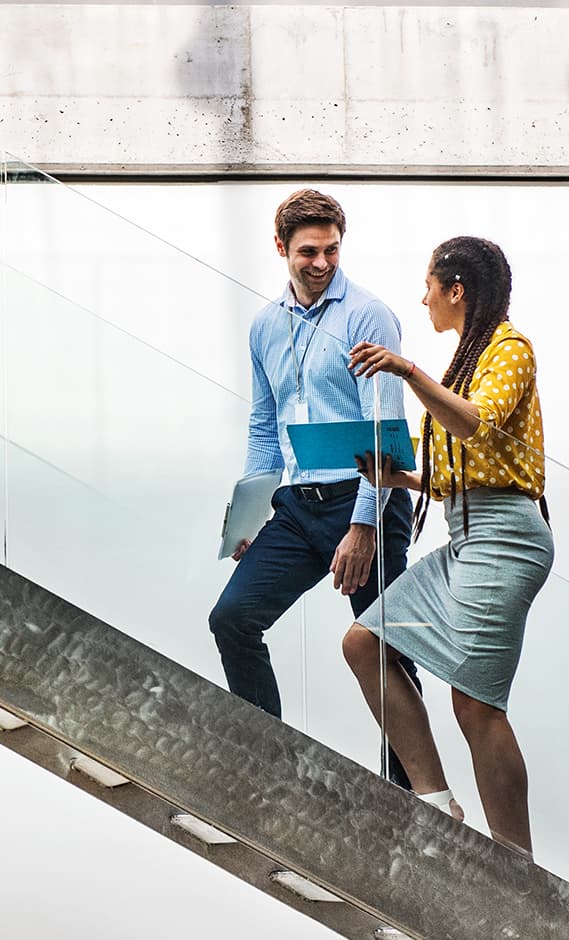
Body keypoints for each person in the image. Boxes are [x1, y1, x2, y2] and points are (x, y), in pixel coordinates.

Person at [342, 235, 550, 853]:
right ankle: (434, 801)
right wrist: (400, 478)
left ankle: (517, 862)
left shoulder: (511, 347)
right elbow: (468, 463)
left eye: (429, 285)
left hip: (506, 536)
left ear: (456, 290)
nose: (423, 297)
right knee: (364, 642)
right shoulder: (471, 352)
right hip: (465, 532)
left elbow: (475, 424)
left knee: (476, 704)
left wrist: (407, 369)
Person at [207, 190, 422, 787]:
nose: (321, 262)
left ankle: (410, 798)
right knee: (232, 618)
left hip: (367, 503)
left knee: (388, 653)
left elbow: (385, 429)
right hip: (297, 509)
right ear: (281, 249)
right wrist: (249, 517)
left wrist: (363, 526)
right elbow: (263, 425)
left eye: (331, 249)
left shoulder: (368, 316)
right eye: (308, 251)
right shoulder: (265, 326)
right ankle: (267, 767)